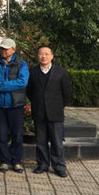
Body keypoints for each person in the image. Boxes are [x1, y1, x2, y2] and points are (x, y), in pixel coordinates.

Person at [27, 46, 72, 178]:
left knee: (57, 142)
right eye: (41, 54)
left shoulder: (61, 72)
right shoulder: (32, 72)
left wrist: (58, 106)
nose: (44, 57)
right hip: (39, 112)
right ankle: (42, 164)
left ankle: (59, 166)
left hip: (55, 113)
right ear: (38, 56)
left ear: (52, 56)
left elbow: (67, 93)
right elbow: (30, 92)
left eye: (46, 54)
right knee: (41, 141)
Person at [0, 38, 29, 173]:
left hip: (15, 104)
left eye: (6, 49)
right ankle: (4, 161)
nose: (3, 51)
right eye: (2, 48)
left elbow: (22, 82)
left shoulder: (21, 63)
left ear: (13, 50)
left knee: (17, 135)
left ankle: (16, 161)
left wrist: (2, 86)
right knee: (1, 135)